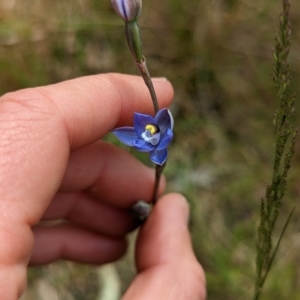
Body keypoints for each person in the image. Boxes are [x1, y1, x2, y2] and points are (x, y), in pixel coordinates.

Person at [0, 73, 206, 299]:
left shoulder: (160, 149)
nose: (149, 131)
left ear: (162, 128)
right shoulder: (149, 144)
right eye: (148, 129)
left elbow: (159, 136)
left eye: (154, 130)